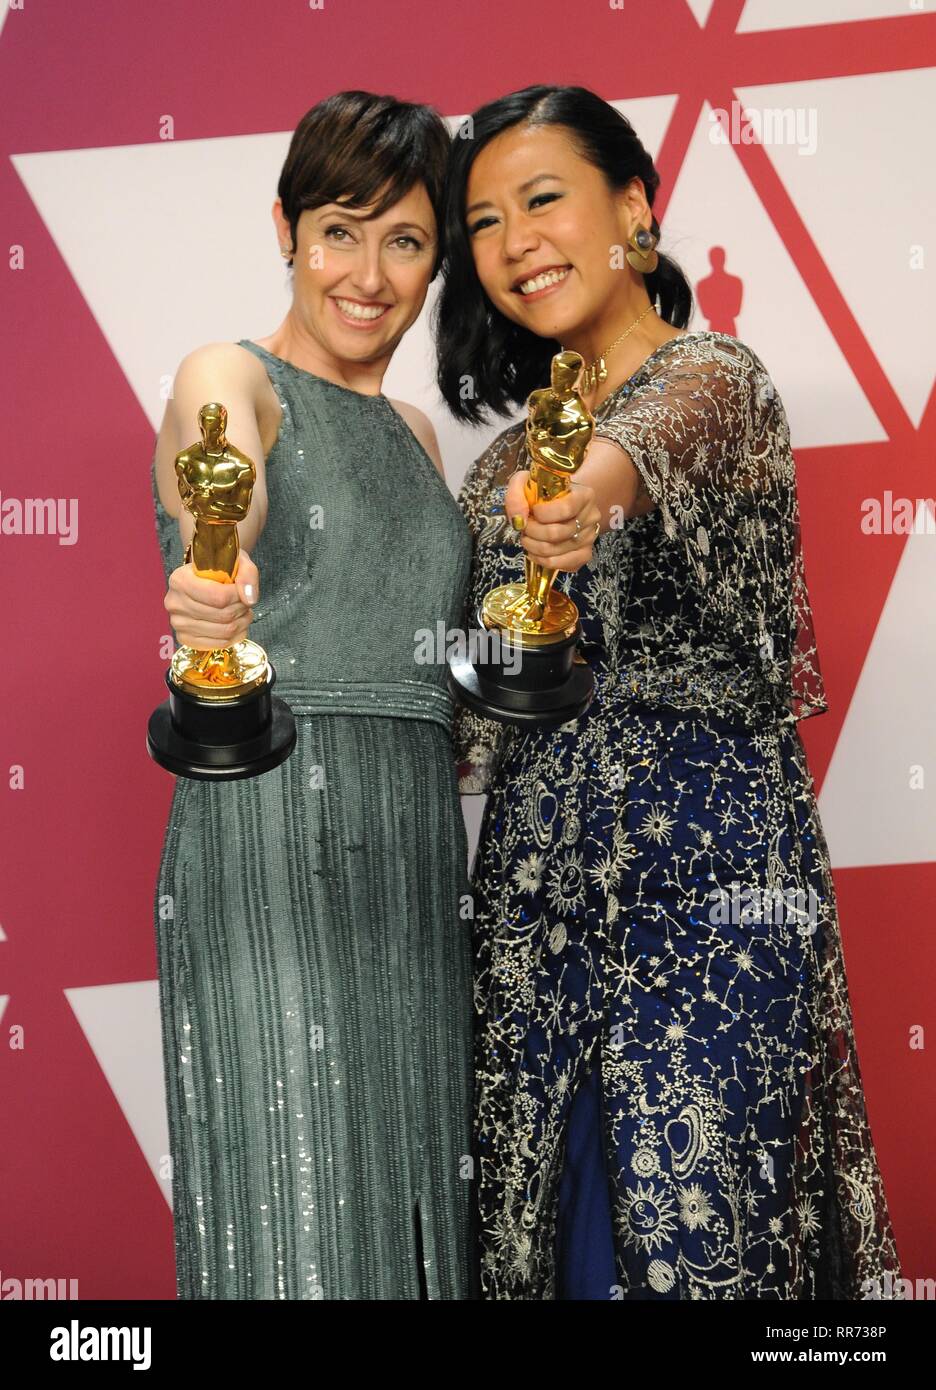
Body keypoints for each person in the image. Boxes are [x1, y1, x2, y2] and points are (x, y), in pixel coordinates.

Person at [435, 84, 904, 1300]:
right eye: (483, 223)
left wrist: (579, 494)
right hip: (535, 909)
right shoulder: (491, 469)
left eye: (543, 200)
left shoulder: (717, 381)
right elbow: (462, 693)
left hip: (711, 898)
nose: (515, 243)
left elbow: (633, 456)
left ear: (633, 209)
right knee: (547, 1237)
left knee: (701, 1244)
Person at [149, 91, 533, 1300]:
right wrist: (218, 571)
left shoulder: (420, 437)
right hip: (273, 818)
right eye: (339, 231)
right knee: (298, 1198)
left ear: (436, 264)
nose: (369, 275)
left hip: (415, 854)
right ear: (286, 228)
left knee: (415, 1205)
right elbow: (227, 493)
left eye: (406, 241)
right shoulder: (232, 372)